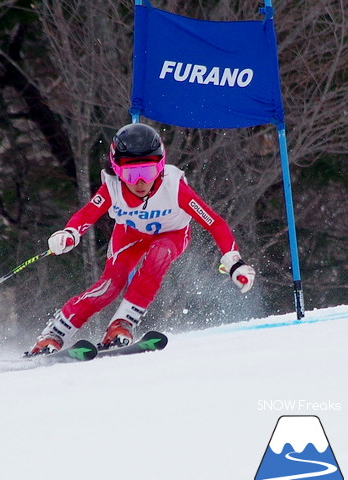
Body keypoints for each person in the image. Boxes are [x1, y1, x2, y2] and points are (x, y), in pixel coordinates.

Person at [29, 122, 256, 355]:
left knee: (159, 255)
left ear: (159, 166)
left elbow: (214, 222)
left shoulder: (173, 187)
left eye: (146, 172)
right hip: (129, 235)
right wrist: (70, 233)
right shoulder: (113, 187)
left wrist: (234, 262)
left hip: (172, 235)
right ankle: (53, 335)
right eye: (130, 173)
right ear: (117, 170)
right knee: (110, 286)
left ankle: (122, 324)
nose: (139, 182)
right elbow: (88, 213)